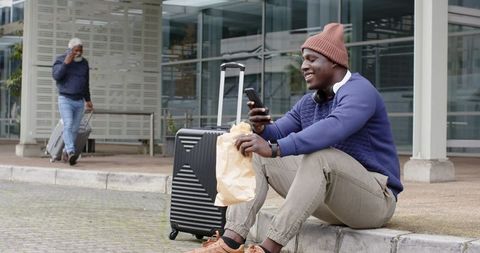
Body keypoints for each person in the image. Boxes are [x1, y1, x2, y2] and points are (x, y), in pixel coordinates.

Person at [186, 23, 403, 253]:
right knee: (257, 153)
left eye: (311, 59)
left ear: (333, 61)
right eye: (303, 60)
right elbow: (277, 133)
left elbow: (334, 127)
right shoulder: (310, 102)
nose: (303, 66)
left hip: (375, 201)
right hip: (332, 203)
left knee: (319, 157)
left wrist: (275, 148)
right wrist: (261, 130)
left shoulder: (360, 91)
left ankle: (268, 248)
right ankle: (230, 242)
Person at [52, 38, 93, 166]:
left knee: (75, 128)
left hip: (79, 101)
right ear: (70, 50)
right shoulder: (60, 59)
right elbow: (56, 76)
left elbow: (86, 83)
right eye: (76, 50)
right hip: (65, 99)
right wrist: (66, 63)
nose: (79, 53)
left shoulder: (84, 63)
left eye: (81, 50)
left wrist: (88, 100)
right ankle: (71, 152)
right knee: (68, 124)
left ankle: (65, 152)